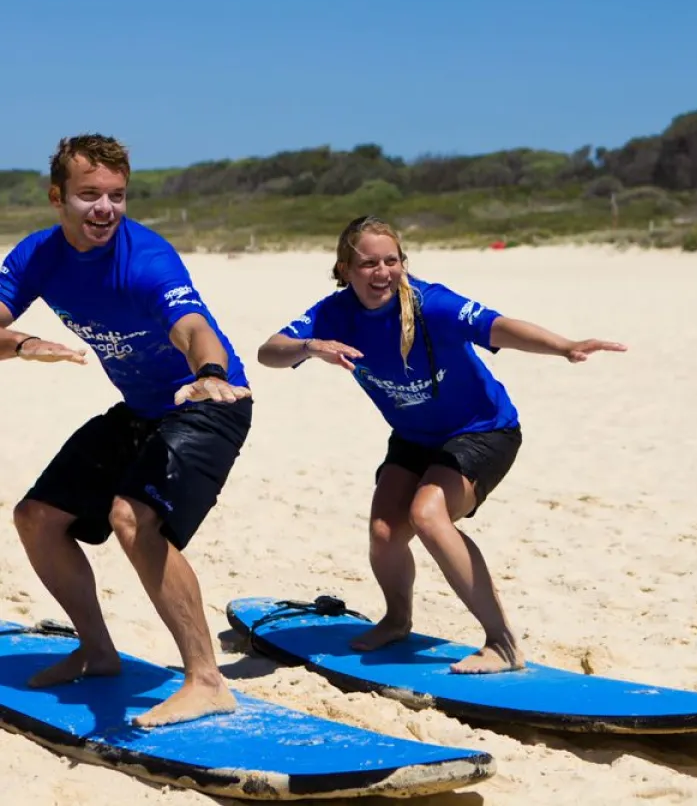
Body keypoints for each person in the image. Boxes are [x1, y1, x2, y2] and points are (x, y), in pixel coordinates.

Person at [256, 215, 626, 674]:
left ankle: (503, 643)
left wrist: (565, 346)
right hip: (414, 437)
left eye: (391, 261)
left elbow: (499, 327)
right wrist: (312, 347)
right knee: (385, 534)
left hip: (484, 429)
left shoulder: (432, 305)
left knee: (427, 515)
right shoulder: (335, 315)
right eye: (369, 263)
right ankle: (397, 620)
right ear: (345, 269)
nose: (382, 272)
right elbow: (269, 351)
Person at [0, 134, 253, 728]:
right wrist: (22, 344)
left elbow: (191, 326)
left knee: (132, 518)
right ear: (57, 197)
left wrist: (210, 371)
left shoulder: (146, 258)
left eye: (116, 196)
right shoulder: (38, 255)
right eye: (89, 195)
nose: (105, 209)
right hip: (143, 409)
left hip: (208, 402)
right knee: (37, 517)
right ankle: (97, 651)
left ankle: (207, 681)